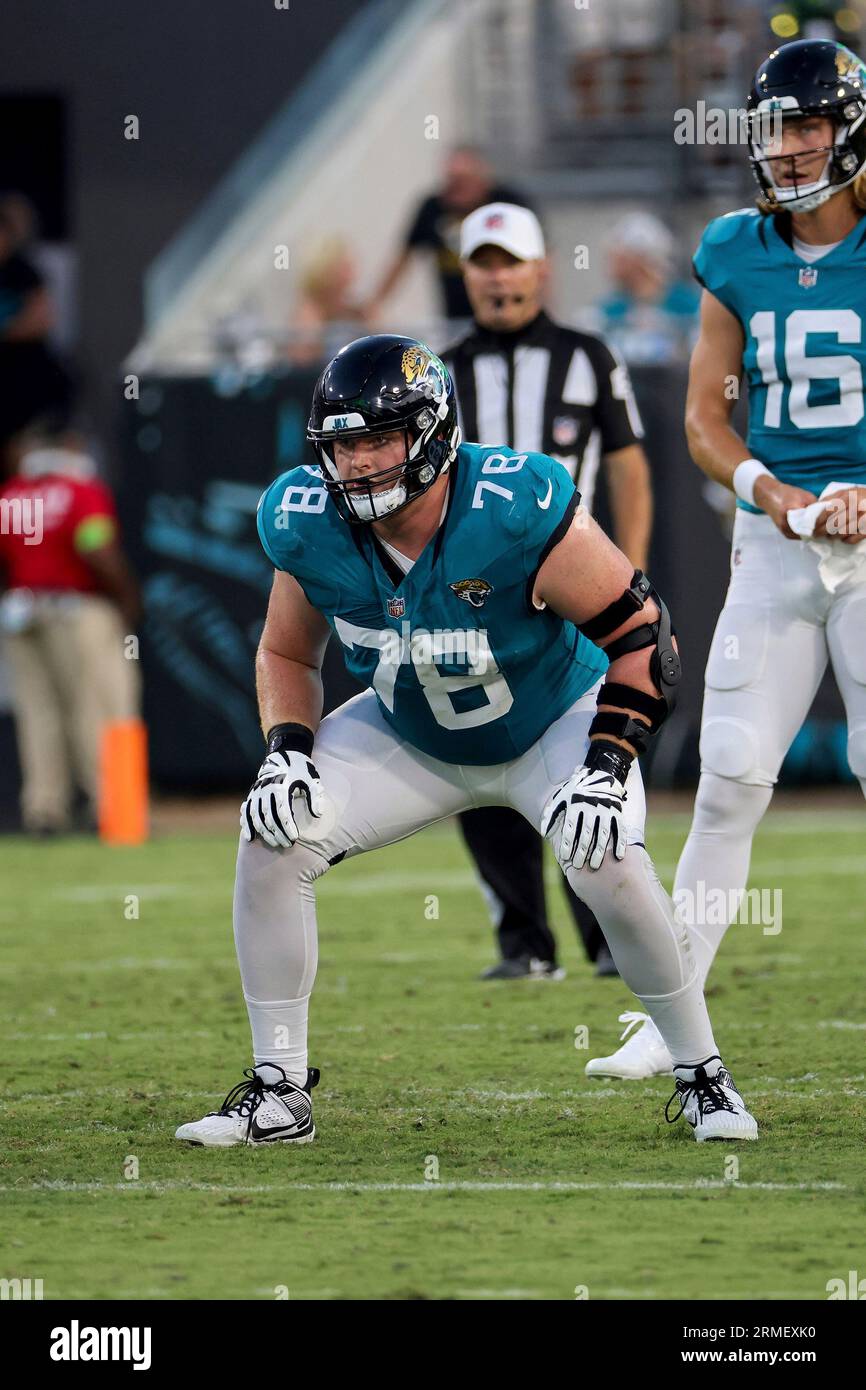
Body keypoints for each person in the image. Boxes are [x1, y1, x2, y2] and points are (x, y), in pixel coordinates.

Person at [174, 333, 757, 1147]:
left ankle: (701, 1072)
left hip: (552, 718)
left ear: (433, 432)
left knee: (608, 858)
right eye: (342, 444)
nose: (359, 463)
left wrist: (606, 763)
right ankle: (279, 1092)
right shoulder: (305, 521)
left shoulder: (512, 505)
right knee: (272, 831)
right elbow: (284, 651)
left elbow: (645, 641)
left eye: (379, 438)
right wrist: (286, 750)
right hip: (413, 732)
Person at [586, 38, 866, 1079]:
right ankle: (670, 1021)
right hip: (775, 543)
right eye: (774, 127)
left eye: (806, 125)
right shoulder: (732, 249)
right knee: (729, 776)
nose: (787, 148)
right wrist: (773, 494)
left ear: (847, 127)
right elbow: (706, 420)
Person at [443, 202, 653, 980]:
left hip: (577, 591)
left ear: (542, 267)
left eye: (511, 261)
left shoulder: (589, 357)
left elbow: (629, 465)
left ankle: (608, 940)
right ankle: (524, 944)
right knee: (478, 753)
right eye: (484, 262)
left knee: (587, 753)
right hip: (473, 595)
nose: (499, 277)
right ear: (466, 273)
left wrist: (626, 577)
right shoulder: (439, 371)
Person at [0, 426, 140, 833]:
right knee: (98, 706)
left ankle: (44, 808)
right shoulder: (79, 490)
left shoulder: (11, 495)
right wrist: (129, 598)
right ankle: (109, 808)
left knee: (38, 713)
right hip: (77, 610)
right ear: (69, 447)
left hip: (21, 612)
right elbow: (96, 545)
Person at [363, 148, 532, 322]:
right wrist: (376, 303)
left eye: (463, 181)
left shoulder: (506, 206)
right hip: (454, 319)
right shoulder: (434, 209)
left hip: (506, 314)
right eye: (451, 181)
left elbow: (539, 260)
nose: (455, 190)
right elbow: (401, 259)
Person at [593, 211, 700, 366]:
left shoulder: (689, 306)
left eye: (618, 255)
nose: (610, 263)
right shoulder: (606, 311)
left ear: (640, 259)